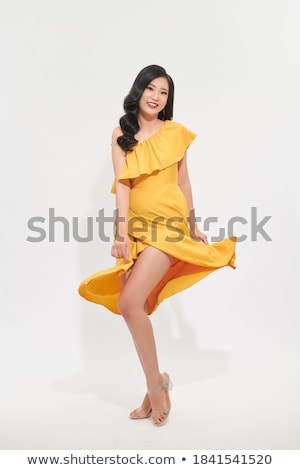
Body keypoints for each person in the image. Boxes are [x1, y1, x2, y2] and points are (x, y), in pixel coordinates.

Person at [78, 64, 236, 427]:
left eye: (164, 92)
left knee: (130, 301)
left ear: (168, 100)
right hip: (136, 230)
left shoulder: (175, 133)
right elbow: (122, 186)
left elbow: (183, 183)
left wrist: (193, 226)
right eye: (151, 88)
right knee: (133, 306)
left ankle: (155, 387)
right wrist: (121, 235)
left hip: (169, 227)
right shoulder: (122, 134)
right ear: (139, 91)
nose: (156, 97)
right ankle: (157, 382)